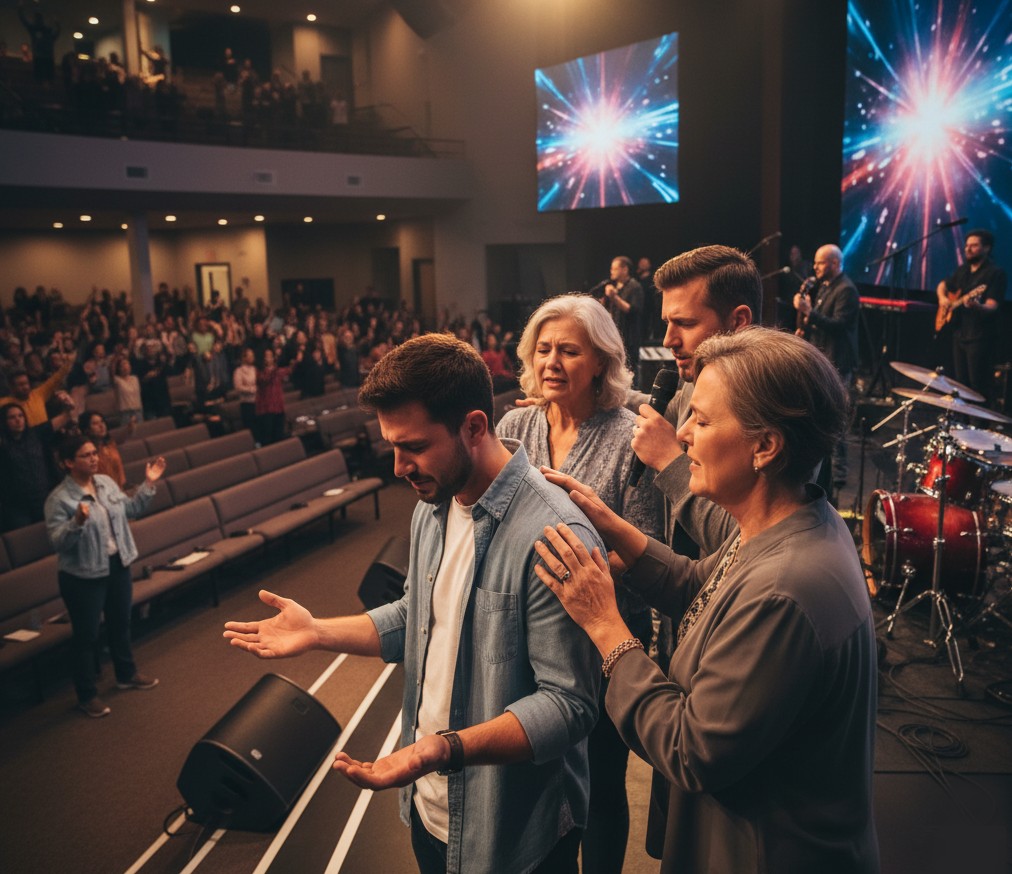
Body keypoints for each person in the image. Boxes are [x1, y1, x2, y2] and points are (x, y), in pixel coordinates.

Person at [224, 334, 602, 874]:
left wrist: (440, 749)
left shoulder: (554, 533)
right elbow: (416, 617)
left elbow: (570, 706)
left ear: (474, 427)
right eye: (391, 446)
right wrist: (317, 632)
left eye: (415, 446)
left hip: (512, 833)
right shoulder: (433, 503)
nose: (399, 467)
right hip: (431, 814)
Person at [535, 327, 879, 873]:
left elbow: (691, 750)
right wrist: (616, 528)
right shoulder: (785, 522)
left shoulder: (786, 590)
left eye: (702, 419)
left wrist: (605, 625)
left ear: (765, 447)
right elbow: (704, 588)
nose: (683, 436)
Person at [498, 294, 663, 874]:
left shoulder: (628, 436)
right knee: (539, 776)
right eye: (542, 349)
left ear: (601, 361)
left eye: (568, 350)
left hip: (603, 642)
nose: (551, 362)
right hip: (526, 639)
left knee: (600, 785)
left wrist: (569, 586)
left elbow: (639, 546)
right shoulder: (514, 424)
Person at [629, 245, 761, 560]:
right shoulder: (698, 380)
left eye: (685, 324)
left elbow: (744, 543)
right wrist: (588, 386)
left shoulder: (773, 407)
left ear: (738, 321)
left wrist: (668, 461)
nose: (668, 340)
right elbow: (657, 408)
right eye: (666, 323)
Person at [44, 435, 166, 718]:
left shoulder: (106, 483)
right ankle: (87, 695)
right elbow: (57, 542)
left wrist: (148, 484)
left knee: (120, 623)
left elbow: (132, 509)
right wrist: (76, 523)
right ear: (68, 462)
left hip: (117, 563)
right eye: (85, 455)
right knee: (86, 636)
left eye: (94, 453)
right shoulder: (59, 499)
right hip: (83, 576)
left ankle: (126, 674)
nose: (94, 458)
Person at [793, 243, 859, 490]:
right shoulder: (825, 287)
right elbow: (818, 323)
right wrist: (805, 321)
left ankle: (840, 473)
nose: (816, 267)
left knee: (837, 415)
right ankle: (823, 468)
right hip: (824, 359)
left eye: (820, 263)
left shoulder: (846, 290)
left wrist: (810, 311)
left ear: (833, 263)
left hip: (839, 361)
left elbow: (839, 325)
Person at [935, 228, 1006, 402]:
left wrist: (976, 306)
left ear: (986, 248)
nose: (968, 249)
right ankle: (963, 423)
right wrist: (943, 299)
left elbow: (992, 306)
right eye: (967, 245)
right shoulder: (963, 270)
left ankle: (978, 425)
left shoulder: (995, 273)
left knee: (978, 385)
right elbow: (943, 284)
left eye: (974, 246)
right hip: (960, 334)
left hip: (980, 337)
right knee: (961, 384)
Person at [0, 401, 65, 531]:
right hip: (17, 506)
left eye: (20, 416)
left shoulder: (36, 434)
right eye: (12, 417)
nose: (18, 420)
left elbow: (65, 417)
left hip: (45, 497)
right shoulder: (2, 445)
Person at [598, 256, 644, 371]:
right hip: (615, 336)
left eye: (614, 268)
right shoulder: (613, 287)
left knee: (630, 370)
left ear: (625, 269)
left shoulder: (634, 287)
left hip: (630, 338)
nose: (611, 271)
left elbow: (632, 309)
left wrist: (614, 297)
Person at [0, 357, 74, 427]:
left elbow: (56, 378)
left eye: (26, 383)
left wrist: (69, 361)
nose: (25, 387)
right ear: (12, 387)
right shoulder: (5, 403)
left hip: (47, 434)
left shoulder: (38, 394)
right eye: (21, 384)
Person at [79, 411, 126, 489]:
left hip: (118, 491)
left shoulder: (110, 444)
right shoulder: (86, 452)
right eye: (95, 423)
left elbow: (120, 473)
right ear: (86, 429)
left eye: (102, 421)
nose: (101, 426)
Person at [254, 348, 289, 445]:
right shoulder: (260, 372)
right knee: (268, 436)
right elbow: (264, 380)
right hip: (267, 408)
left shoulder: (278, 371)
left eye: (270, 356)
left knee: (279, 434)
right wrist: (273, 369)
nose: (268, 358)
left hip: (278, 406)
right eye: (266, 356)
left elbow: (289, 371)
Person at [233, 347, 258, 435]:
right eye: (250, 356)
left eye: (252, 356)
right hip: (247, 403)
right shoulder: (239, 371)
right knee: (251, 428)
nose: (252, 358)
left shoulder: (254, 369)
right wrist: (251, 389)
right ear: (244, 358)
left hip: (257, 401)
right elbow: (238, 387)